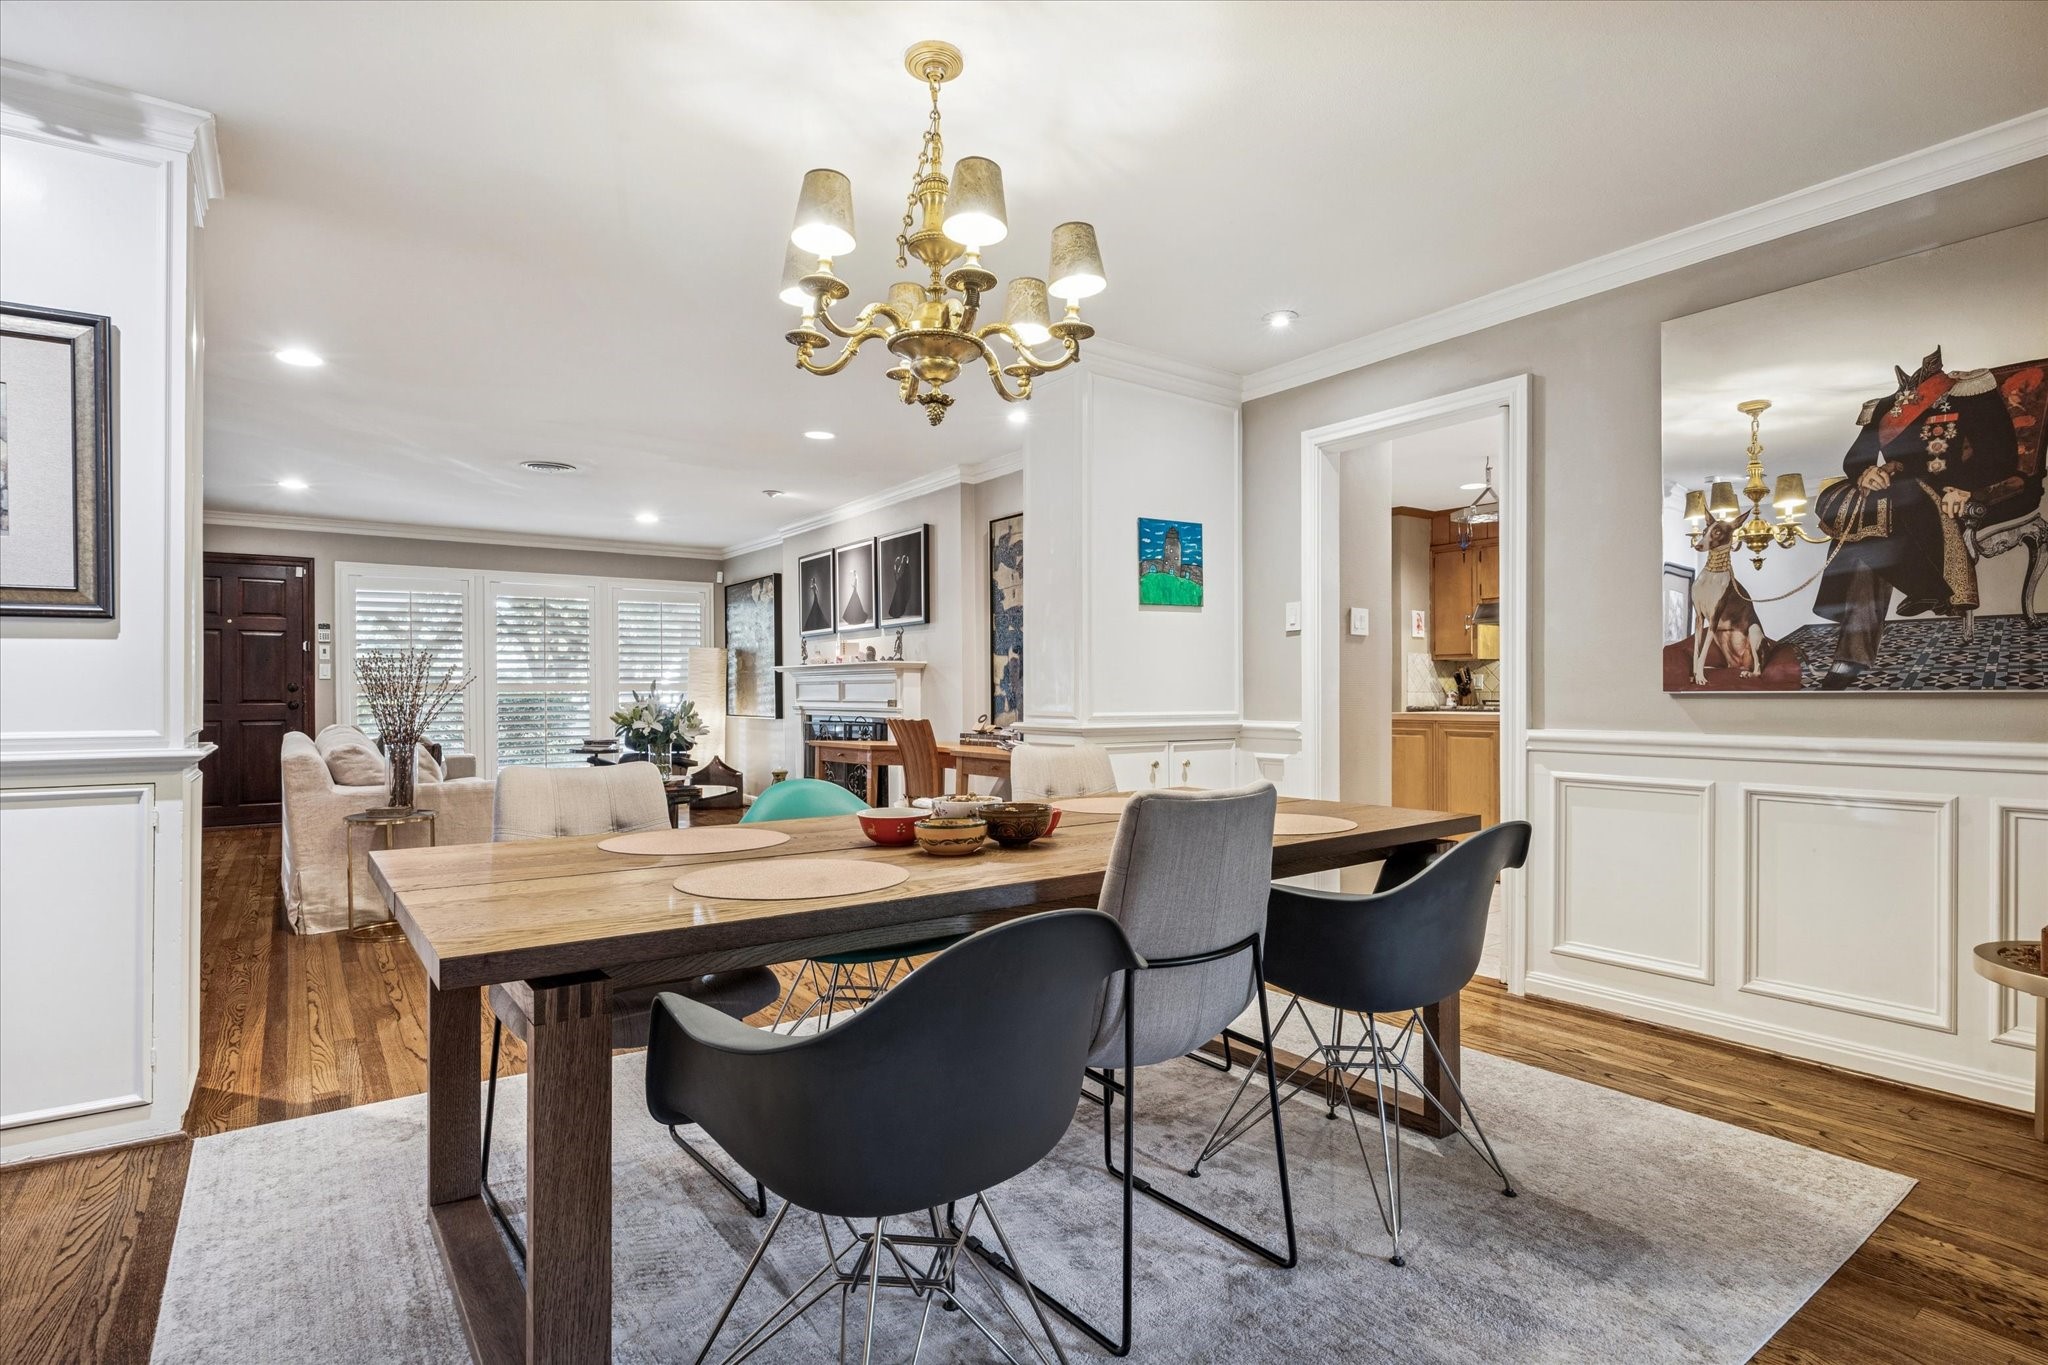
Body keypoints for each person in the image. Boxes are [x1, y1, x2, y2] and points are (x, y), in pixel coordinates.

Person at [1811, 348, 2018, 688]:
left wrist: (1968, 488)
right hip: (1892, 493)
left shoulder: (1968, 390)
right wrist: (1865, 473)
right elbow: (1856, 457)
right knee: (1858, 522)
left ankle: (1922, 589)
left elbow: (2002, 454)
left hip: (1941, 493)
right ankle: (1855, 652)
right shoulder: (1883, 406)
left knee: (1879, 517)